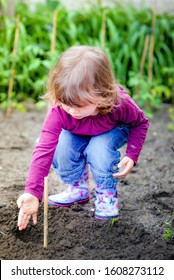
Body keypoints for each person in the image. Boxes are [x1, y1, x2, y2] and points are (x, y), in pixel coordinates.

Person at [17, 45, 149, 230]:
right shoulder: (59, 110)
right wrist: (32, 192)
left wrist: (132, 155)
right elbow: (44, 150)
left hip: (111, 131)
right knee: (59, 144)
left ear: (101, 94)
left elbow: (140, 123)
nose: (70, 111)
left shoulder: (121, 103)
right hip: (76, 133)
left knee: (98, 147)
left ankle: (105, 192)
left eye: (77, 105)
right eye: (65, 103)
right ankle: (78, 187)